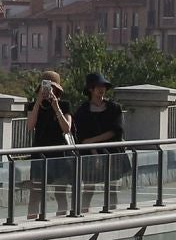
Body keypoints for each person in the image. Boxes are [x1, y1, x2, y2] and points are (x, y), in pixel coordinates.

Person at [70, 71, 125, 206]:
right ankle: (83, 214)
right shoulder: (83, 110)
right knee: (88, 188)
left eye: (103, 86)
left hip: (112, 152)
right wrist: (95, 153)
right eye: (98, 86)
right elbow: (81, 137)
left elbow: (116, 131)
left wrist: (92, 141)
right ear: (91, 89)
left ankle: (113, 215)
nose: (101, 89)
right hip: (89, 153)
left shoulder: (114, 108)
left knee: (112, 189)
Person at [26, 69, 74, 218]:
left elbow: (66, 128)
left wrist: (56, 106)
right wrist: (38, 103)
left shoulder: (64, 105)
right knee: (35, 193)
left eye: (51, 88)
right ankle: (31, 222)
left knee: (60, 193)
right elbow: (29, 126)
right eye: (46, 87)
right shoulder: (34, 105)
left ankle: (60, 221)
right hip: (40, 152)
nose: (48, 91)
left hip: (59, 153)